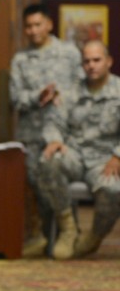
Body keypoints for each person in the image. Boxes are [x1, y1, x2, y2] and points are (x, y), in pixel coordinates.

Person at [9, 3, 82, 255]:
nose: (32, 30)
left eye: (37, 24)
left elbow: (81, 88)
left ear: (49, 24)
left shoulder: (69, 53)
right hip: (32, 134)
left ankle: (68, 234)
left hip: (65, 133)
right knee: (39, 187)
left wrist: (62, 96)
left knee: (57, 179)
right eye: (28, 26)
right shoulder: (20, 60)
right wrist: (36, 96)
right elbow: (16, 98)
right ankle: (47, 238)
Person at [37, 40, 120, 259]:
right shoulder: (71, 91)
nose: (91, 65)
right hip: (74, 154)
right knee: (48, 160)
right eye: (87, 61)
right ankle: (68, 228)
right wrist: (54, 140)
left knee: (114, 189)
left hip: (105, 159)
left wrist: (118, 156)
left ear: (109, 62)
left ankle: (94, 236)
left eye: (97, 60)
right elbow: (54, 121)